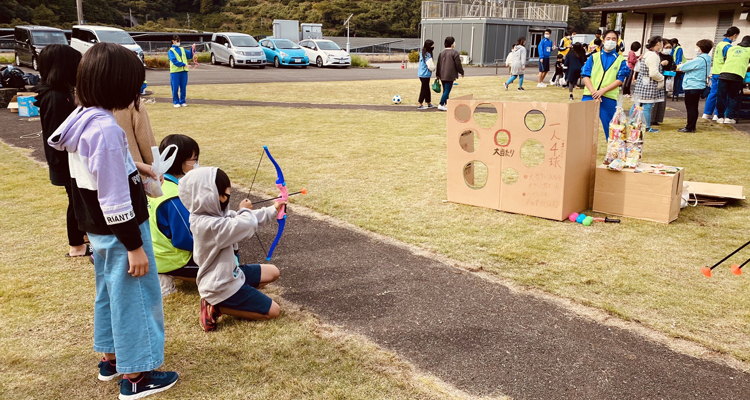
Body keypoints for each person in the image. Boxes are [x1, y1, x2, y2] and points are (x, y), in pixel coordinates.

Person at [47, 43, 178, 398]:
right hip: (123, 234)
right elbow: (114, 196)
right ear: (117, 84)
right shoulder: (106, 129)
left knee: (109, 293)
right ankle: (136, 377)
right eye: (135, 85)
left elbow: (97, 170)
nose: (138, 93)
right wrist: (134, 246)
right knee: (136, 297)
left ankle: (110, 358)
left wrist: (138, 165)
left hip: (97, 231)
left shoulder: (82, 117)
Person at [179, 167, 283, 332]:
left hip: (231, 274)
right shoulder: (206, 225)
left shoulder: (214, 216)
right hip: (220, 285)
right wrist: (245, 210)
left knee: (273, 272)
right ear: (209, 196)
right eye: (225, 195)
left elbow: (244, 219)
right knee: (274, 311)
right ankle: (215, 306)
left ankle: (232, 299)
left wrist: (274, 209)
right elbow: (244, 222)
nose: (227, 199)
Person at [33, 44, 90, 259]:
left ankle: (82, 237)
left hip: (67, 159)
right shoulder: (56, 97)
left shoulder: (61, 93)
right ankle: (76, 246)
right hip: (65, 161)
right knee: (76, 200)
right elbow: (57, 138)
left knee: (78, 199)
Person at [149, 134, 201, 297]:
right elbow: (183, 239)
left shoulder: (154, 183)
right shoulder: (173, 195)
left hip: (152, 252)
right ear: (180, 161)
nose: (196, 163)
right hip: (171, 259)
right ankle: (168, 275)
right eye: (194, 159)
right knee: (227, 266)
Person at [582, 30, 630, 140]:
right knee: (583, 125)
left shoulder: (620, 60)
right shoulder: (593, 57)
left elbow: (620, 79)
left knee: (611, 128)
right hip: (589, 95)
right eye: (608, 39)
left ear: (617, 42)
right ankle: (582, 152)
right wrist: (594, 92)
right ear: (603, 41)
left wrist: (602, 91)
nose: (611, 41)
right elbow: (585, 75)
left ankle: (613, 152)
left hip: (608, 97)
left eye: (614, 39)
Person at [676, 39, 713, 132]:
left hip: (692, 85)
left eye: (697, 47)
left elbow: (683, 67)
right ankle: (691, 126)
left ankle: (690, 127)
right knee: (694, 107)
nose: (696, 49)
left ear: (701, 49)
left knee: (691, 108)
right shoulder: (707, 58)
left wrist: (681, 65)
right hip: (699, 85)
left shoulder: (699, 59)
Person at [704, 26, 740, 120]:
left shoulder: (720, 44)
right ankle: (717, 114)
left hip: (715, 71)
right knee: (723, 95)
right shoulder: (728, 47)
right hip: (723, 73)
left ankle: (706, 113)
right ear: (734, 35)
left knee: (713, 93)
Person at [631, 36, 666, 133]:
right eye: (662, 43)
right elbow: (653, 73)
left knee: (637, 105)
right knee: (647, 106)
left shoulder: (648, 54)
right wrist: (662, 78)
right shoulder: (653, 56)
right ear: (658, 43)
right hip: (648, 85)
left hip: (642, 84)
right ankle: (646, 126)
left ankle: (632, 123)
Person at [716, 35, 750, 124]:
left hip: (724, 73)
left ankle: (719, 117)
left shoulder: (731, 48)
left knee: (721, 96)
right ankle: (729, 118)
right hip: (737, 75)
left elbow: (727, 59)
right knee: (733, 97)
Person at [113, 98, 157, 165]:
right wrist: (156, 166)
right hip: (132, 168)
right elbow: (145, 140)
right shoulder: (131, 100)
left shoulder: (93, 105)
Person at [435, 36, 464, 111]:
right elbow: (458, 64)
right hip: (450, 74)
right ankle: (441, 104)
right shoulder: (454, 53)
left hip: (442, 74)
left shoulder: (441, 53)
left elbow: (438, 64)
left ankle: (446, 104)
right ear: (452, 44)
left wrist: (437, 74)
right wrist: (461, 72)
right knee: (447, 90)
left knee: (445, 90)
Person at [651, 39, 676, 126]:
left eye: (670, 47)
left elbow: (673, 66)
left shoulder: (670, 57)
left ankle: (657, 119)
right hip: (657, 80)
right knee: (653, 100)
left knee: (662, 101)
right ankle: (651, 119)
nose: (668, 49)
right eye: (666, 47)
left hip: (666, 80)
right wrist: (661, 64)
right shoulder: (656, 56)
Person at [168, 35, 194, 108]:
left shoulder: (182, 49)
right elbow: (174, 61)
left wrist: (193, 49)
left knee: (183, 87)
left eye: (179, 41)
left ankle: (182, 101)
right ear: (173, 41)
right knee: (175, 87)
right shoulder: (171, 51)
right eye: (177, 41)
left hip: (184, 71)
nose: (179, 42)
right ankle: (176, 101)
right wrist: (184, 64)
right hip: (175, 72)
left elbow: (190, 55)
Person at [417, 39, 436, 110]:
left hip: (421, 73)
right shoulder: (427, 55)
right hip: (425, 74)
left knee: (427, 88)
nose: (433, 47)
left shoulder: (422, 53)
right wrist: (434, 68)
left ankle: (429, 102)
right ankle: (420, 103)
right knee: (424, 89)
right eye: (432, 45)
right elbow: (430, 66)